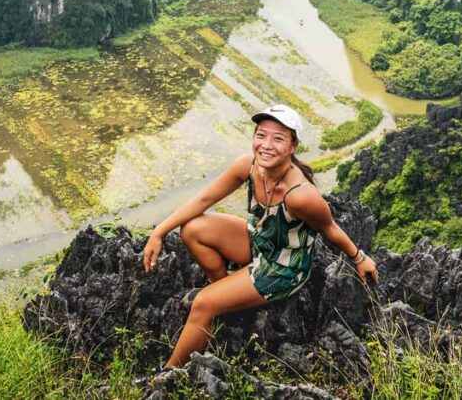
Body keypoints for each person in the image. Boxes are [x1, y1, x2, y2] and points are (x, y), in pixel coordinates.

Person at [142, 103, 379, 370]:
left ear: (293, 146)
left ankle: (167, 374)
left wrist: (359, 258)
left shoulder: (300, 195)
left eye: (278, 138)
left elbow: (331, 229)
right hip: (259, 240)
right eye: (261, 135)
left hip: (282, 268)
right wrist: (159, 231)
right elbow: (205, 198)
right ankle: (228, 298)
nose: (266, 144)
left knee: (203, 304)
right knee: (193, 229)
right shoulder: (249, 165)